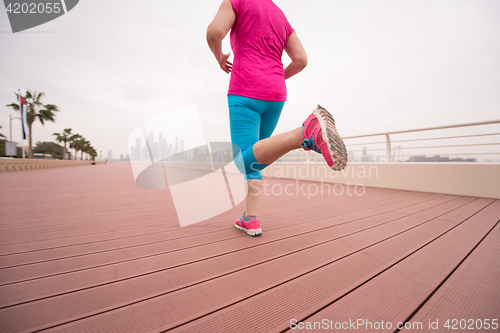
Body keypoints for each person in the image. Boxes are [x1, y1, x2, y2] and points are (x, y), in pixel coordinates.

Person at [207, 0, 347, 237]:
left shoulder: (237, 1)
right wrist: (274, 76)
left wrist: (220, 57)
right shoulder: (280, 15)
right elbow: (301, 59)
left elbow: (214, 32)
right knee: (258, 154)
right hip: (275, 94)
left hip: (245, 89)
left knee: (244, 161)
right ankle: (250, 218)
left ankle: (304, 132)